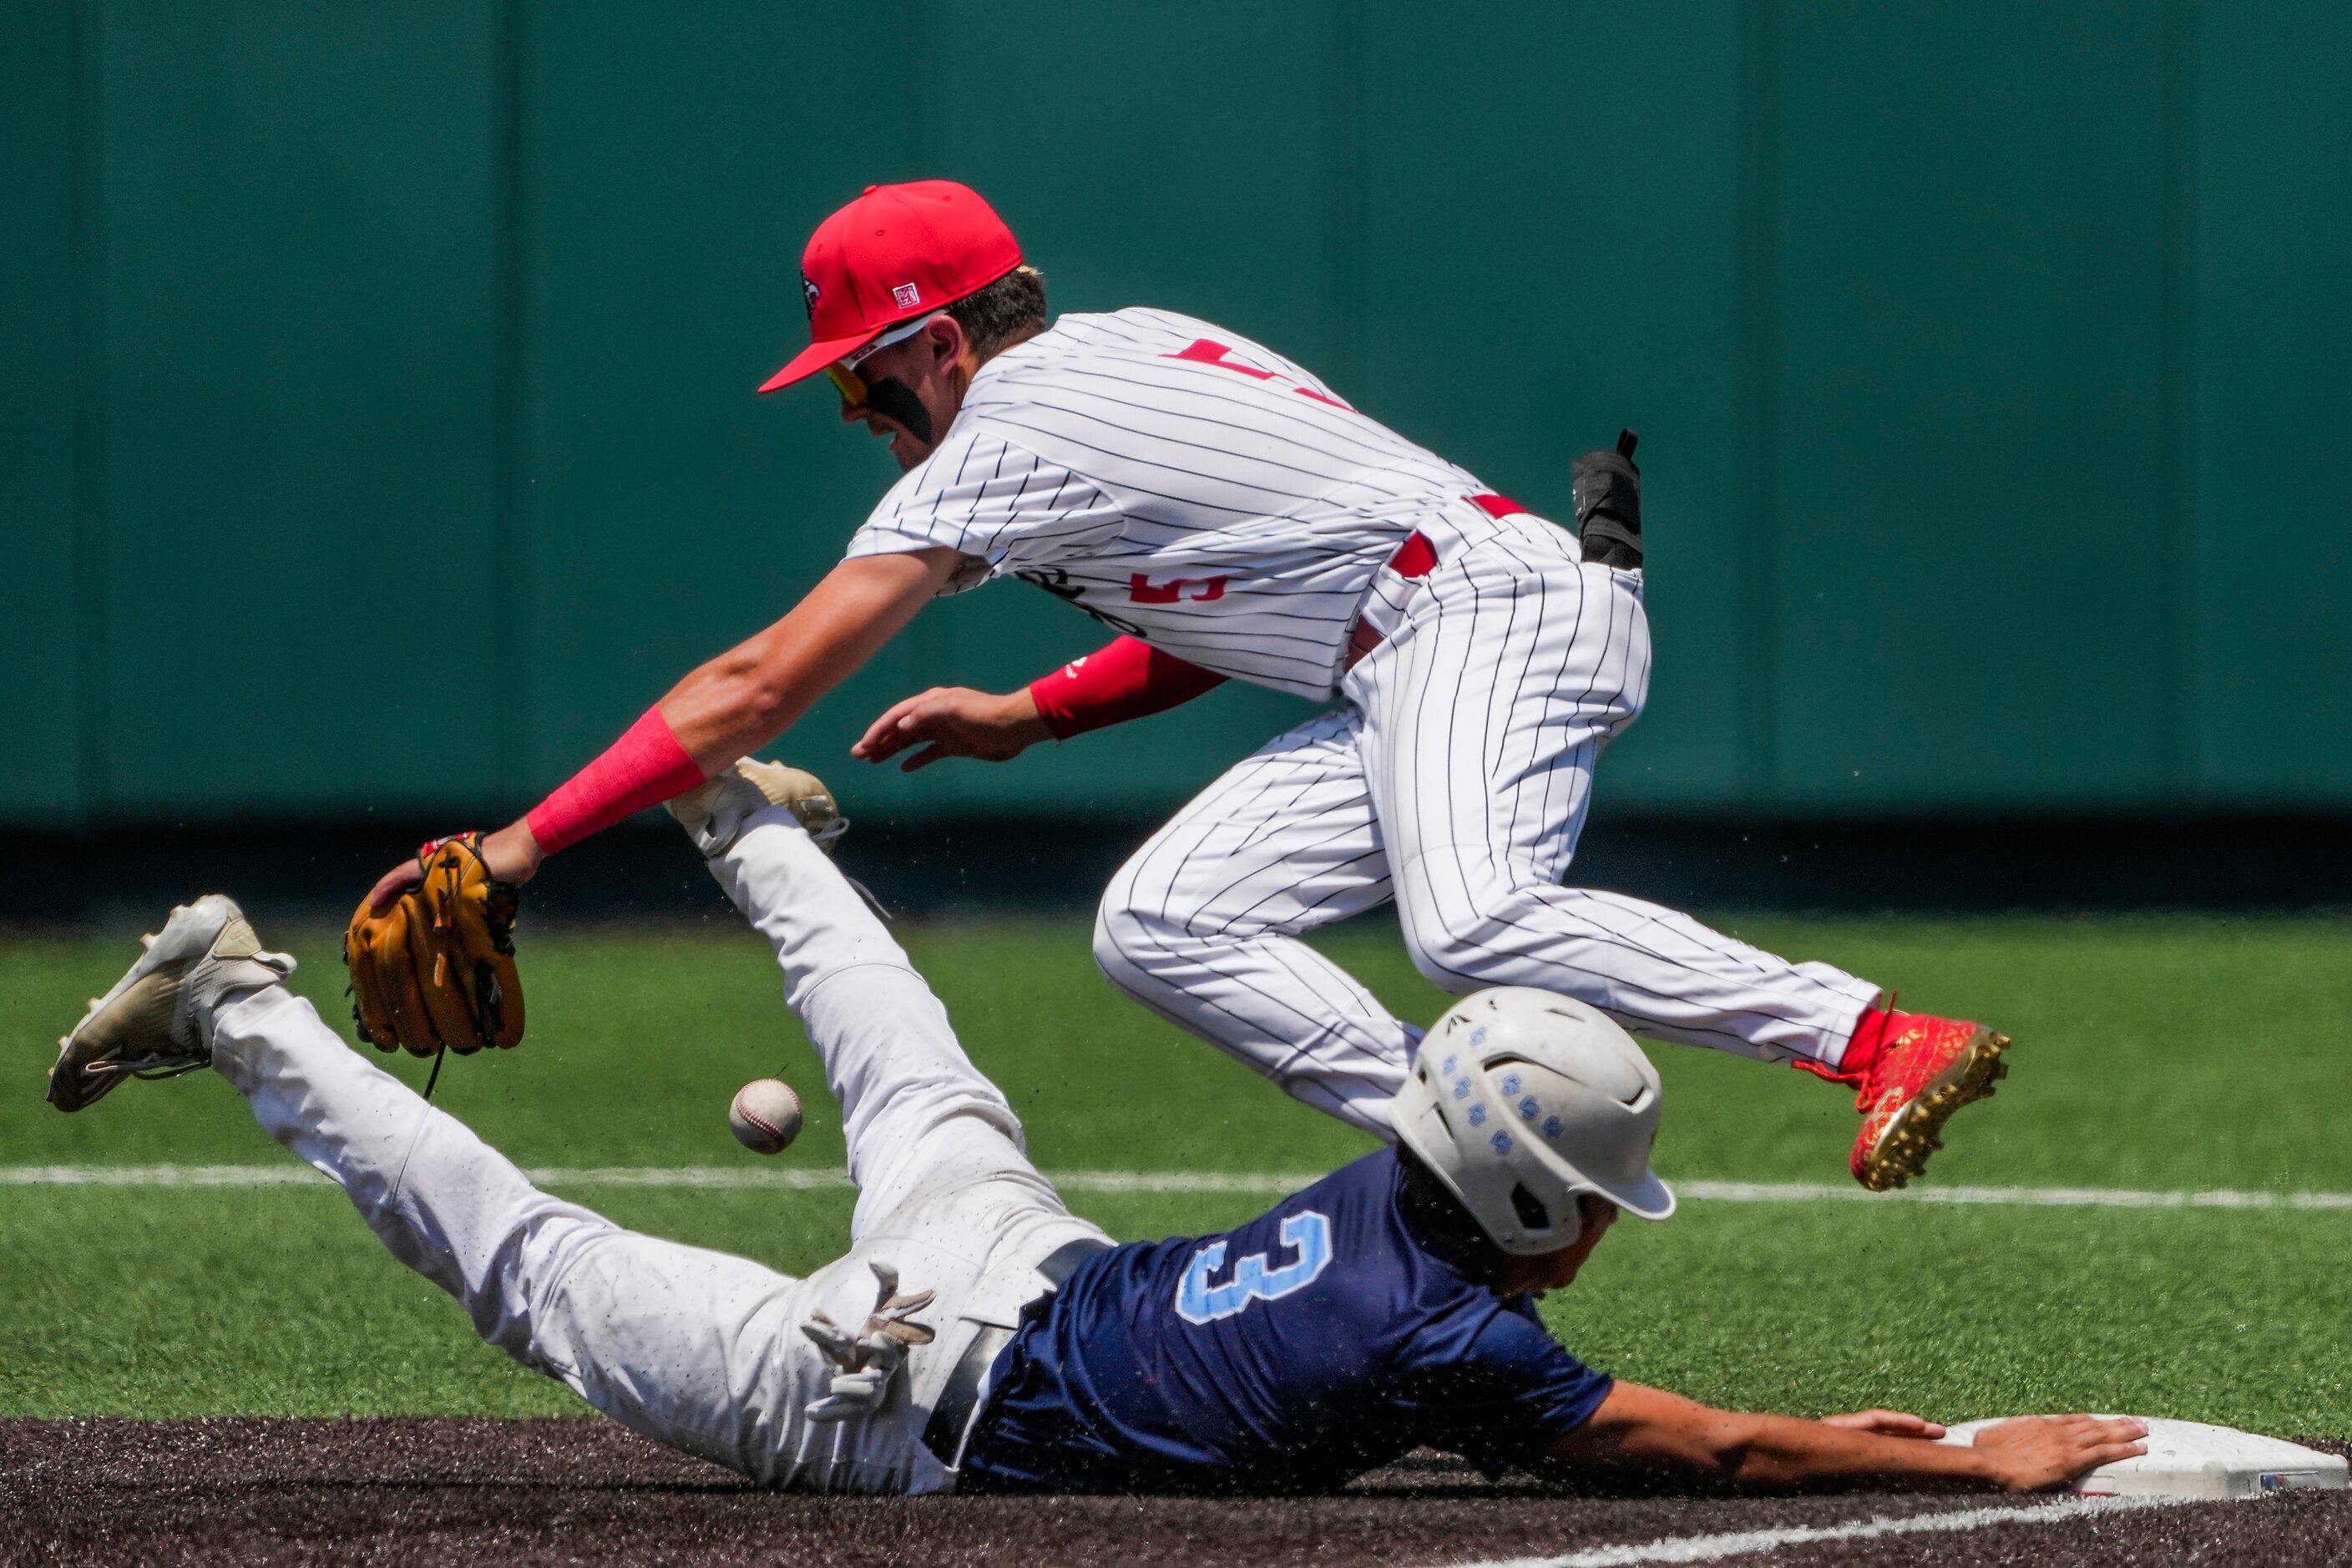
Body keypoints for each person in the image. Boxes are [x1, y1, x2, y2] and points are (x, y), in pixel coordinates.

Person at [363, 179, 2006, 1192]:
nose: (852, 409)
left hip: (1480, 618)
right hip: (1416, 638)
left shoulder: (1004, 432)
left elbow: (752, 685)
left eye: (861, 374)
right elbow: (1231, 592)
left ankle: (1873, 1034)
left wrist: (514, 855)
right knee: (1158, 921)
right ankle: (1455, 1159)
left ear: (938, 343)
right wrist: (1033, 713)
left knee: (1468, 923)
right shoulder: (1127, 347)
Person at [56, 763, 2138, 1495]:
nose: (1600, 1228)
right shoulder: (1449, 1335)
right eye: (1588, 1196)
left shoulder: (1398, 1223)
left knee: (912, 1076)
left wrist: (1865, 1441)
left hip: (1017, 1281)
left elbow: (1668, 1421)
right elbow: (1694, 1448)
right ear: (1516, 1186)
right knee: (536, 1271)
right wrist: (1971, 1456)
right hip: (886, 1390)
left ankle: (726, 820)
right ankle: (231, 998)